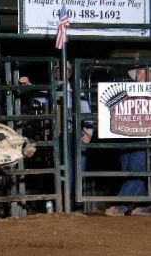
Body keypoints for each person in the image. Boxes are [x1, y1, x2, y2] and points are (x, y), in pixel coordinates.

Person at [19, 61, 94, 211]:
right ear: (55, 74)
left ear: (69, 74)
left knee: (77, 169)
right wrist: (28, 84)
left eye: (64, 71)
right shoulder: (51, 92)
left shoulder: (78, 92)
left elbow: (87, 113)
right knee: (64, 171)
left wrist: (89, 133)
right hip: (59, 136)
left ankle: (72, 204)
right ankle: (67, 205)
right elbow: (35, 93)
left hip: (76, 134)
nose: (61, 74)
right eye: (58, 71)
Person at [104, 66, 150, 217]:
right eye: (139, 73)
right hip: (126, 136)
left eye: (145, 72)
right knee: (131, 170)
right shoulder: (126, 92)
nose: (141, 76)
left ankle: (120, 205)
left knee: (136, 170)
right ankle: (143, 206)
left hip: (144, 138)